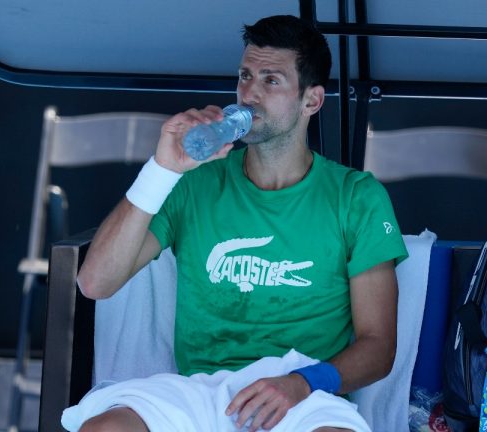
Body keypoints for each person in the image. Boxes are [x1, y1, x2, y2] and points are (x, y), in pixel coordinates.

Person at [66, 14, 408, 432]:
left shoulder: (356, 197)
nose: (249, 94)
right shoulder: (192, 182)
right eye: (245, 76)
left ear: (311, 101)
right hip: (201, 392)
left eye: (271, 80)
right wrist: (162, 168)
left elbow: (379, 347)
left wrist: (302, 382)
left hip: (303, 396)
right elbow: (94, 283)